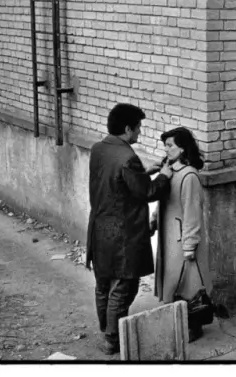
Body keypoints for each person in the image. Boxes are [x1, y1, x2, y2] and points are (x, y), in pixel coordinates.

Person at [86, 103, 173, 355]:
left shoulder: (98, 149)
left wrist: (146, 172)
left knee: (103, 284)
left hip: (99, 227)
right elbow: (147, 192)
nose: (139, 133)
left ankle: (106, 330)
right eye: (138, 128)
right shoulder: (128, 158)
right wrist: (164, 175)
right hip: (122, 233)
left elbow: (117, 182)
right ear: (127, 129)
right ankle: (113, 340)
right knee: (123, 287)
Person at [151, 126, 212, 342]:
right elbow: (162, 199)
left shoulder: (189, 177)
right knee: (174, 284)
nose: (166, 149)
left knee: (190, 285)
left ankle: (194, 327)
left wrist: (189, 246)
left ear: (183, 148)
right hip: (169, 238)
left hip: (182, 240)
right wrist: (154, 220)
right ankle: (180, 323)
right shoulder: (169, 172)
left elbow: (192, 213)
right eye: (165, 145)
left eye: (170, 145)